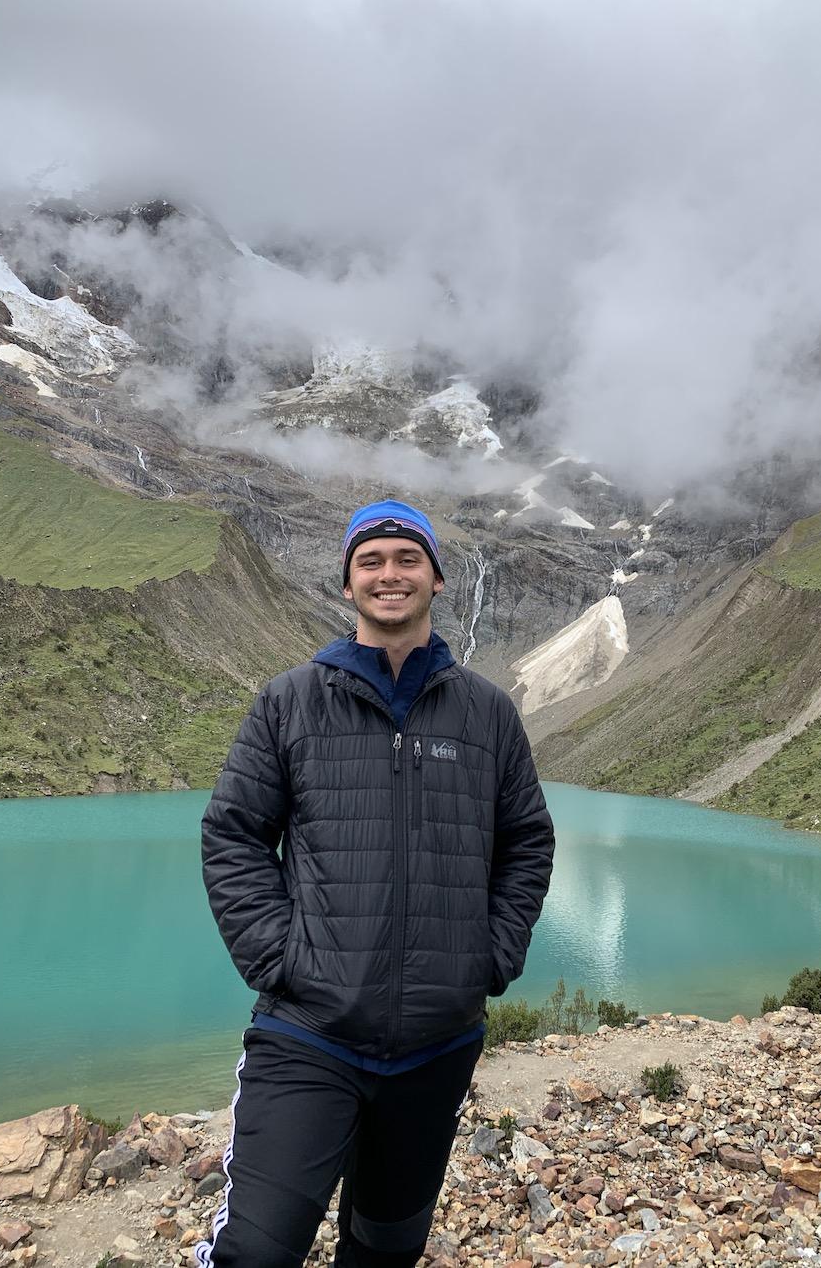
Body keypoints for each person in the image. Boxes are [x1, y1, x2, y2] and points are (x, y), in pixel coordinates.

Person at [196, 499, 555, 1267]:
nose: (389, 574)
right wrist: (281, 960)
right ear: (349, 581)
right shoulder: (289, 701)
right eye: (372, 561)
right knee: (255, 1250)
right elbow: (233, 834)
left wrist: (487, 958)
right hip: (309, 1032)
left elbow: (527, 840)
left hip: (437, 1043)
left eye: (406, 559)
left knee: (386, 1247)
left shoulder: (488, 713)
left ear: (436, 576)